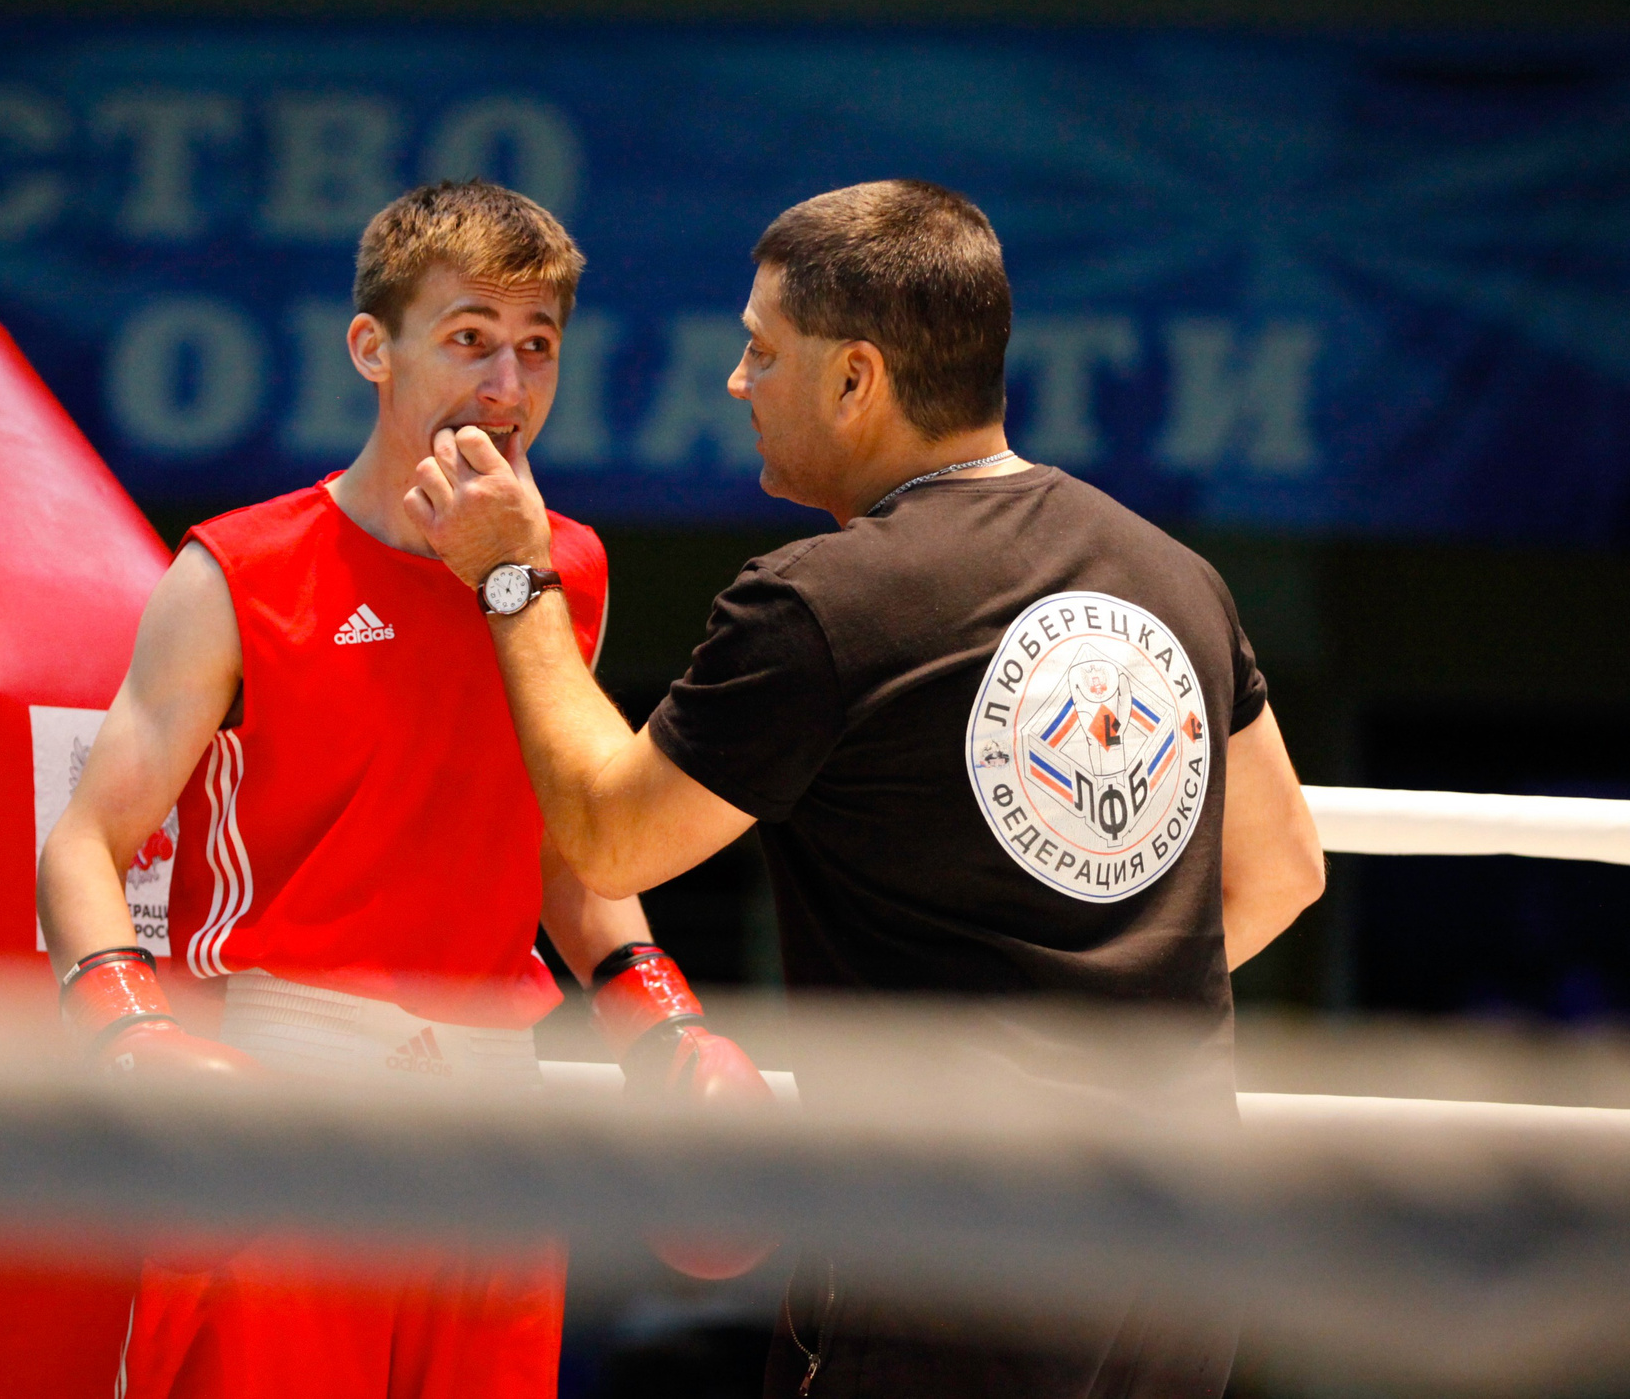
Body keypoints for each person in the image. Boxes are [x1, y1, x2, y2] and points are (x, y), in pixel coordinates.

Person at [405, 179, 1327, 1399]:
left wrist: (515, 577)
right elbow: (1285, 869)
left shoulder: (821, 602)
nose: (737, 382)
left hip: (952, 1244)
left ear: (856, 380)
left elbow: (608, 838)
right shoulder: (1173, 575)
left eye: (761, 350)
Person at [35, 179, 769, 1399]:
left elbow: (561, 842)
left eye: (538, 349)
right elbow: (84, 841)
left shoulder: (558, 570)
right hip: (280, 1087)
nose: (508, 388)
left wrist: (660, 1019)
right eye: (470, 339)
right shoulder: (238, 571)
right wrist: (128, 1035)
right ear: (373, 348)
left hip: (492, 1105)